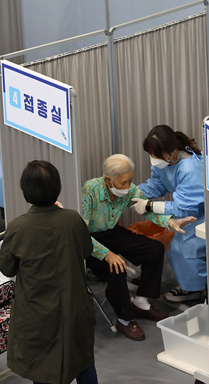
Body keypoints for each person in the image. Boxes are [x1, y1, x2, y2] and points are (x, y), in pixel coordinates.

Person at [0, 160, 98, 384]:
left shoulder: (18, 227)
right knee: (83, 362)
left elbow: (6, 267)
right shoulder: (72, 218)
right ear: (57, 187)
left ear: (26, 191)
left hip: (37, 312)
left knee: (43, 369)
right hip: (75, 305)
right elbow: (86, 250)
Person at [83, 154, 195, 341]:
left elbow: (146, 209)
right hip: (90, 240)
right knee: (116, 268)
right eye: (123, 183)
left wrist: (170, 222)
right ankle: (124, 320)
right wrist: (106, 254)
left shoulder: (129, 190)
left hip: (112, 232)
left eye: (130, 181)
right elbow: (80, 231)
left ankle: (141, 302)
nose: (128, 187)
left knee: (154, 249)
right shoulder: (90, 190)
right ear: (108, 179)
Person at [131, 125, 206, 303]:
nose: (153, 159)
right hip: (186, 210)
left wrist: (149, 206)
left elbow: (183, 208)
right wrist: (132, 192)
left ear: (171, 152)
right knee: (177, 247)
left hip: (201, 214)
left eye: (155, 155)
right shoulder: (164, 162)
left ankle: (196, 289)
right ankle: (191, 285)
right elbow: (157, 185)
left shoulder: (190, 168)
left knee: (181, 248)